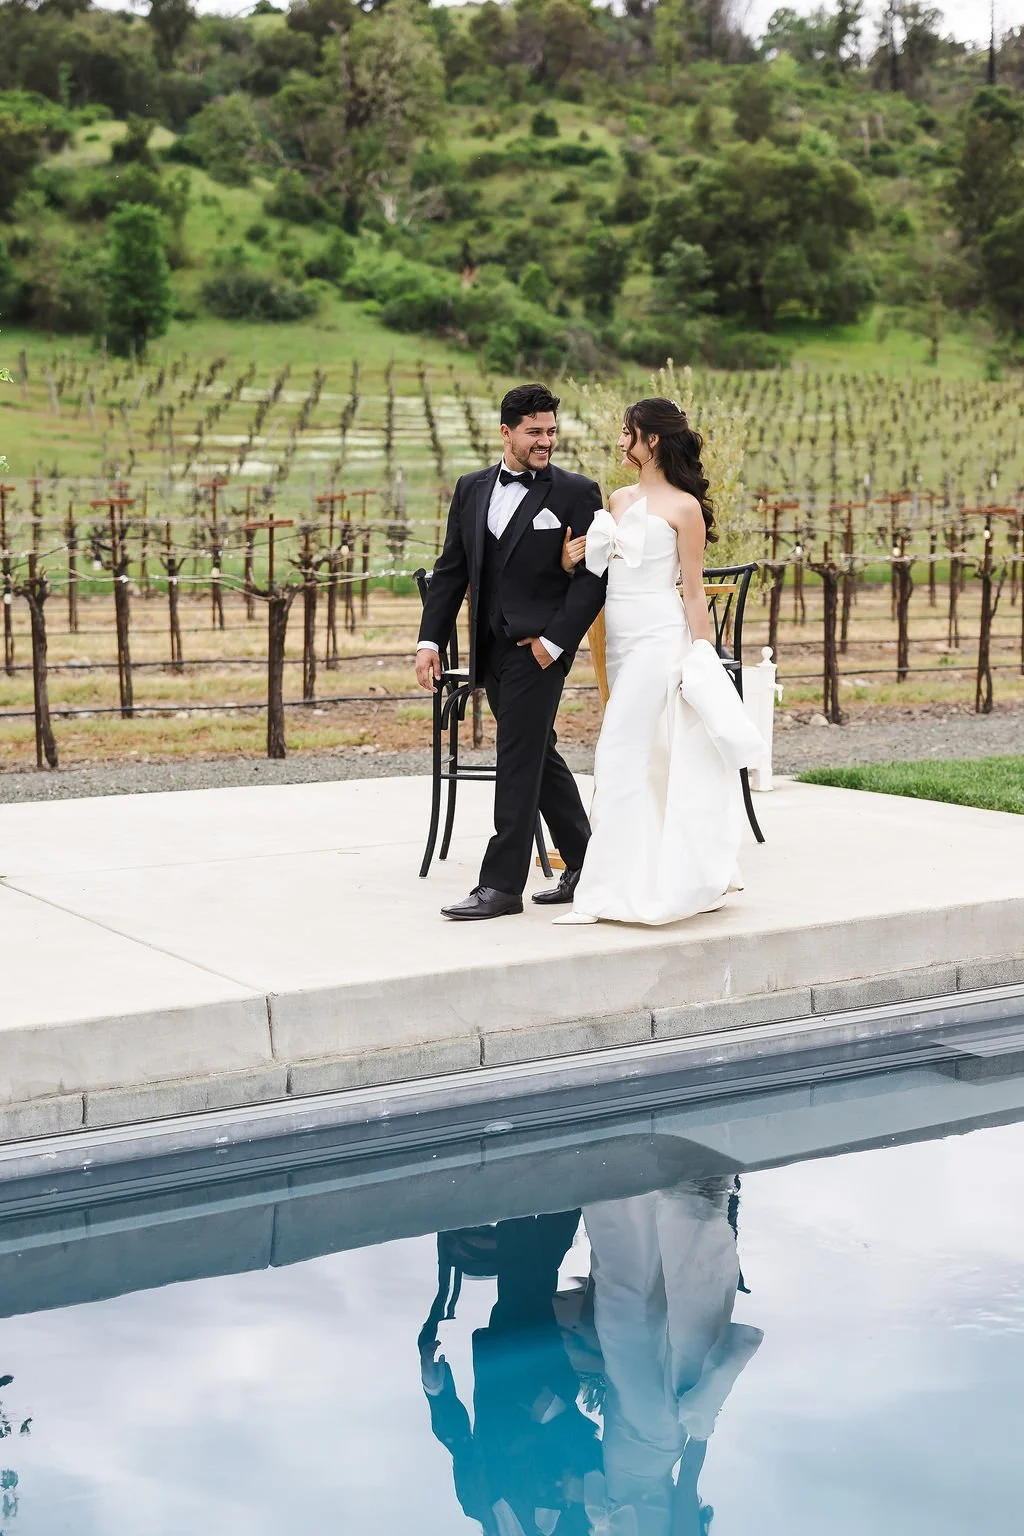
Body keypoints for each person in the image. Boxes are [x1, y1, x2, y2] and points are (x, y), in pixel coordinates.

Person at [555, 398, 763, 927]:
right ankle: (652, 866)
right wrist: (569, 558)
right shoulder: (618, 498)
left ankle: (604, 887)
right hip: (621, 639)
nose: (621, 441)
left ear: (651, 439)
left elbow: (693, 592)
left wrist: (700, 654)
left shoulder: (684, 508)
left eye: (629, 433)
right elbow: (599, 573)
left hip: (659, 636)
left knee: (619, 751)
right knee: (651, 757)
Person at [415, 383, 607, 921]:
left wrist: (554, 643)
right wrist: (431, 640)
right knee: (537, 753)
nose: (546, 441)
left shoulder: (576, 492)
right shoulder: (472, 488)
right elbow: (452, 570)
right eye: (535, 432)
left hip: (539, 649)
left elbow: (593, 580)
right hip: (490, 648)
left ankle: (501, 885)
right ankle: (587, 861)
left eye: (551, 431)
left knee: (517, 758)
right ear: (506, 433)